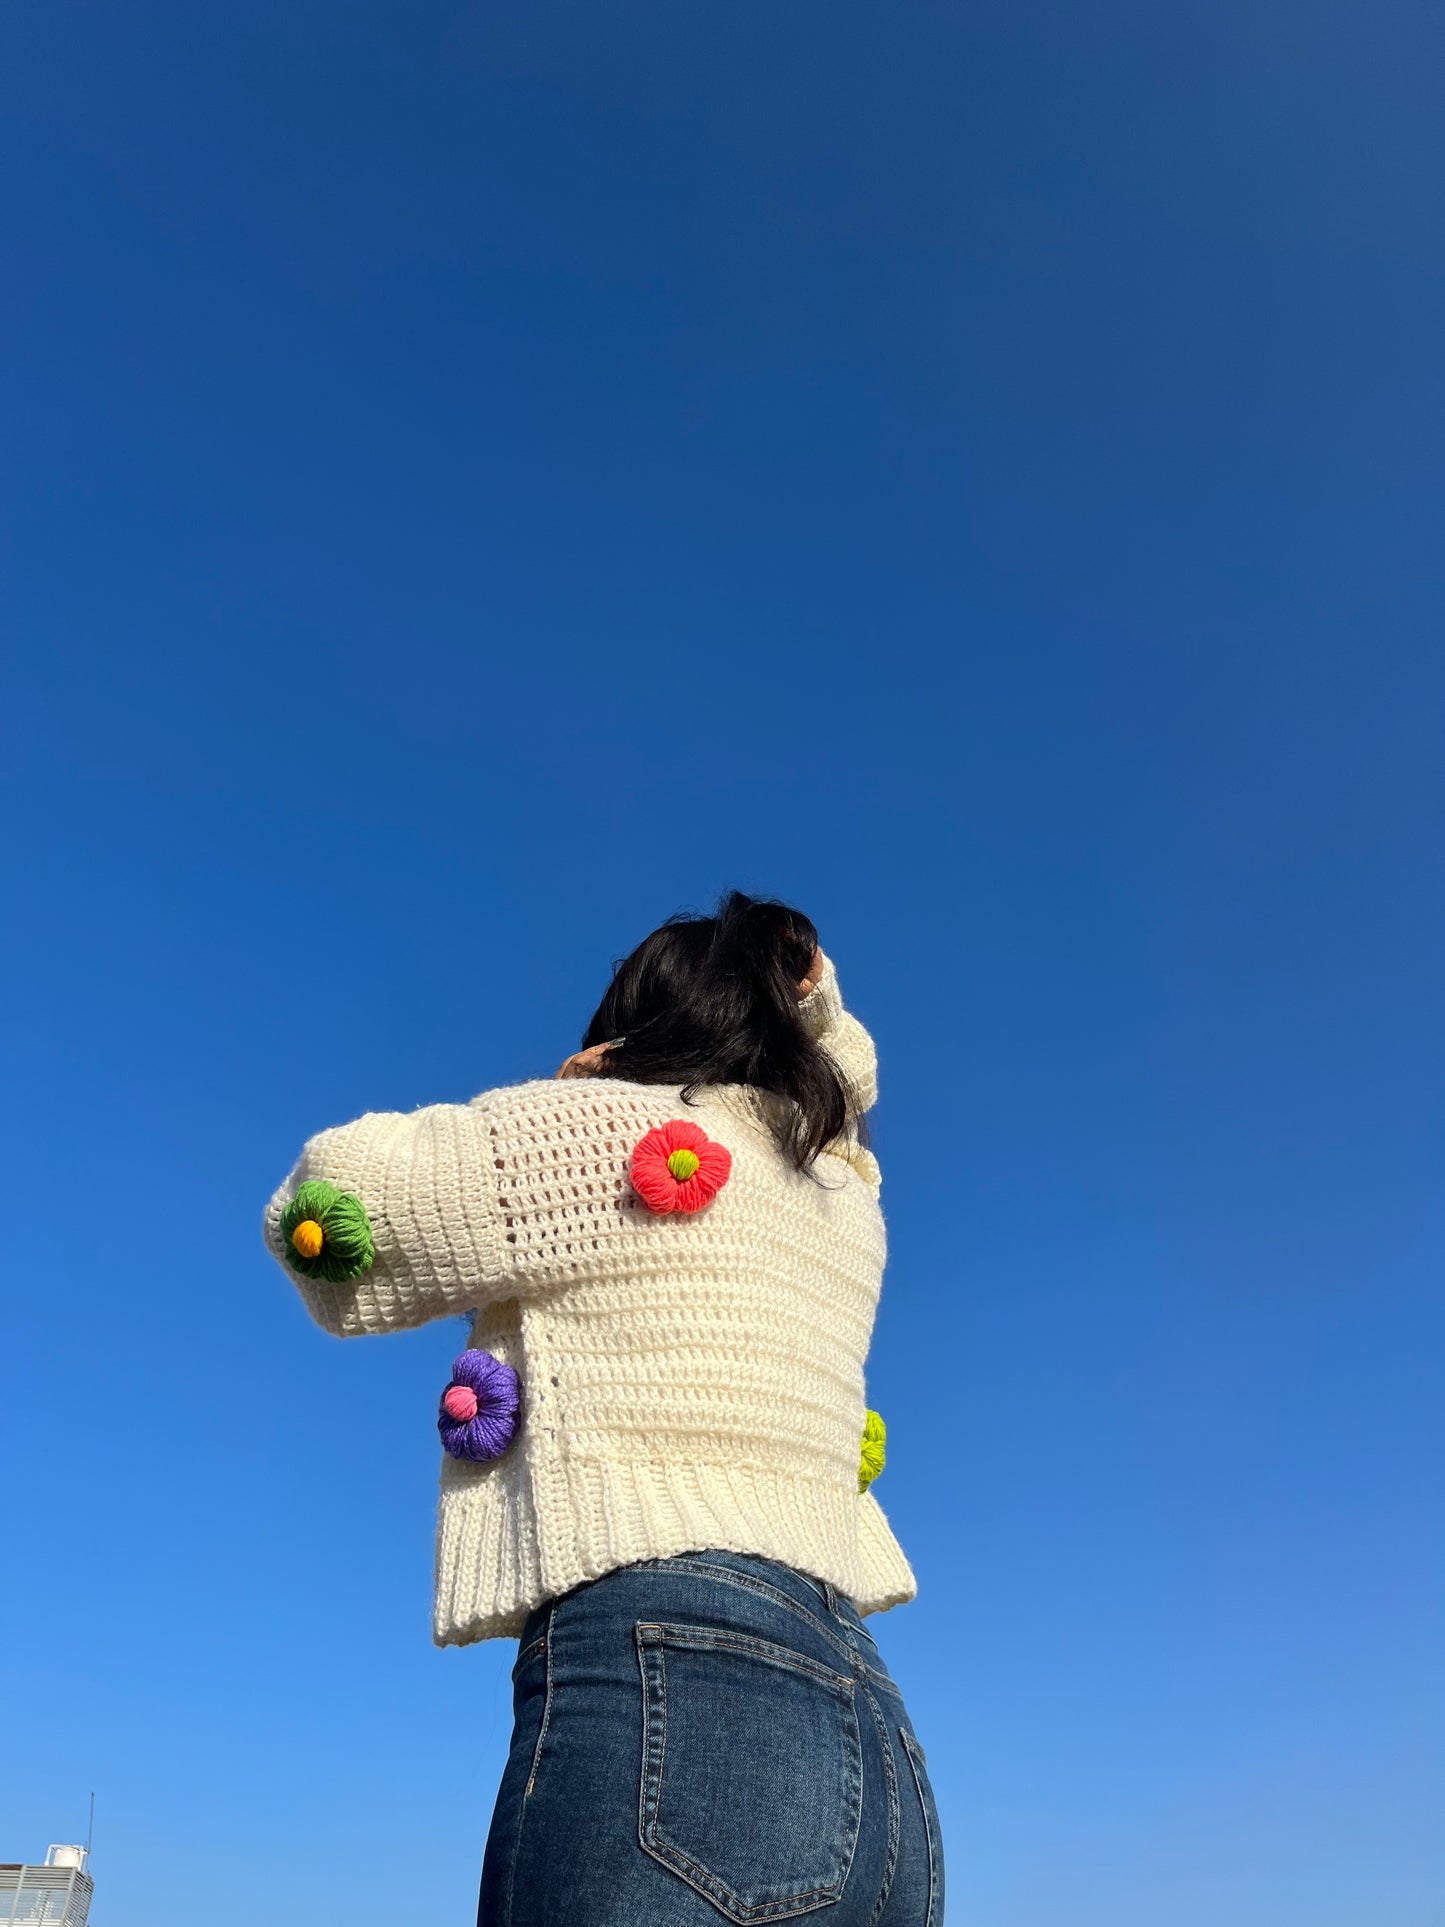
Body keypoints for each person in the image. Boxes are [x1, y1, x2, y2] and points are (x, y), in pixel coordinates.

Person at [263, 891, 943, 1927]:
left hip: (676, 1673)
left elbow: (335, 1209)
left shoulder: (607, 1129)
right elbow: (843, 1102)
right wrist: (811, 1007)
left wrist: (586, 1083)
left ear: (634, 1022)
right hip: (879, 1743)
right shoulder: (842, 1199)